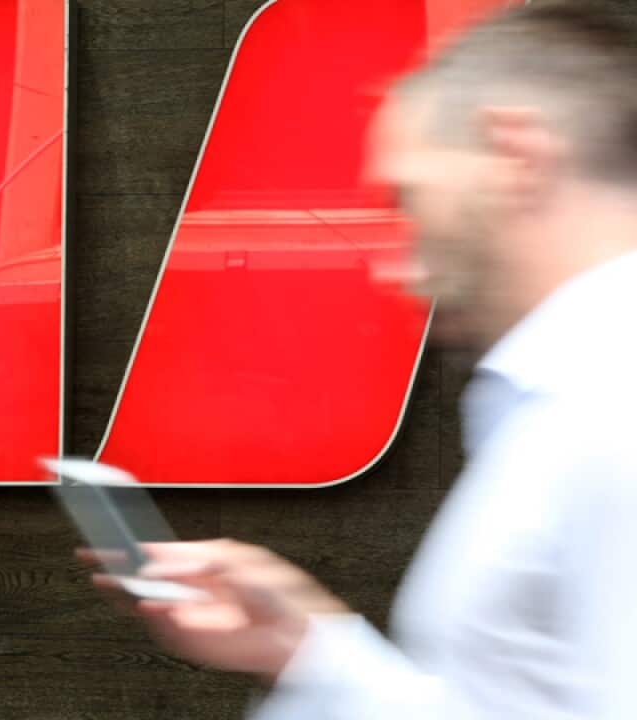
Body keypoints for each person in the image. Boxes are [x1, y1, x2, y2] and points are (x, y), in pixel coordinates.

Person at [80, 3, 637, 718]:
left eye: (408, 197)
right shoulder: (566, 398)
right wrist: (305, 648)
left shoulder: (613, 408)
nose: (397, 267)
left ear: (515, 155)